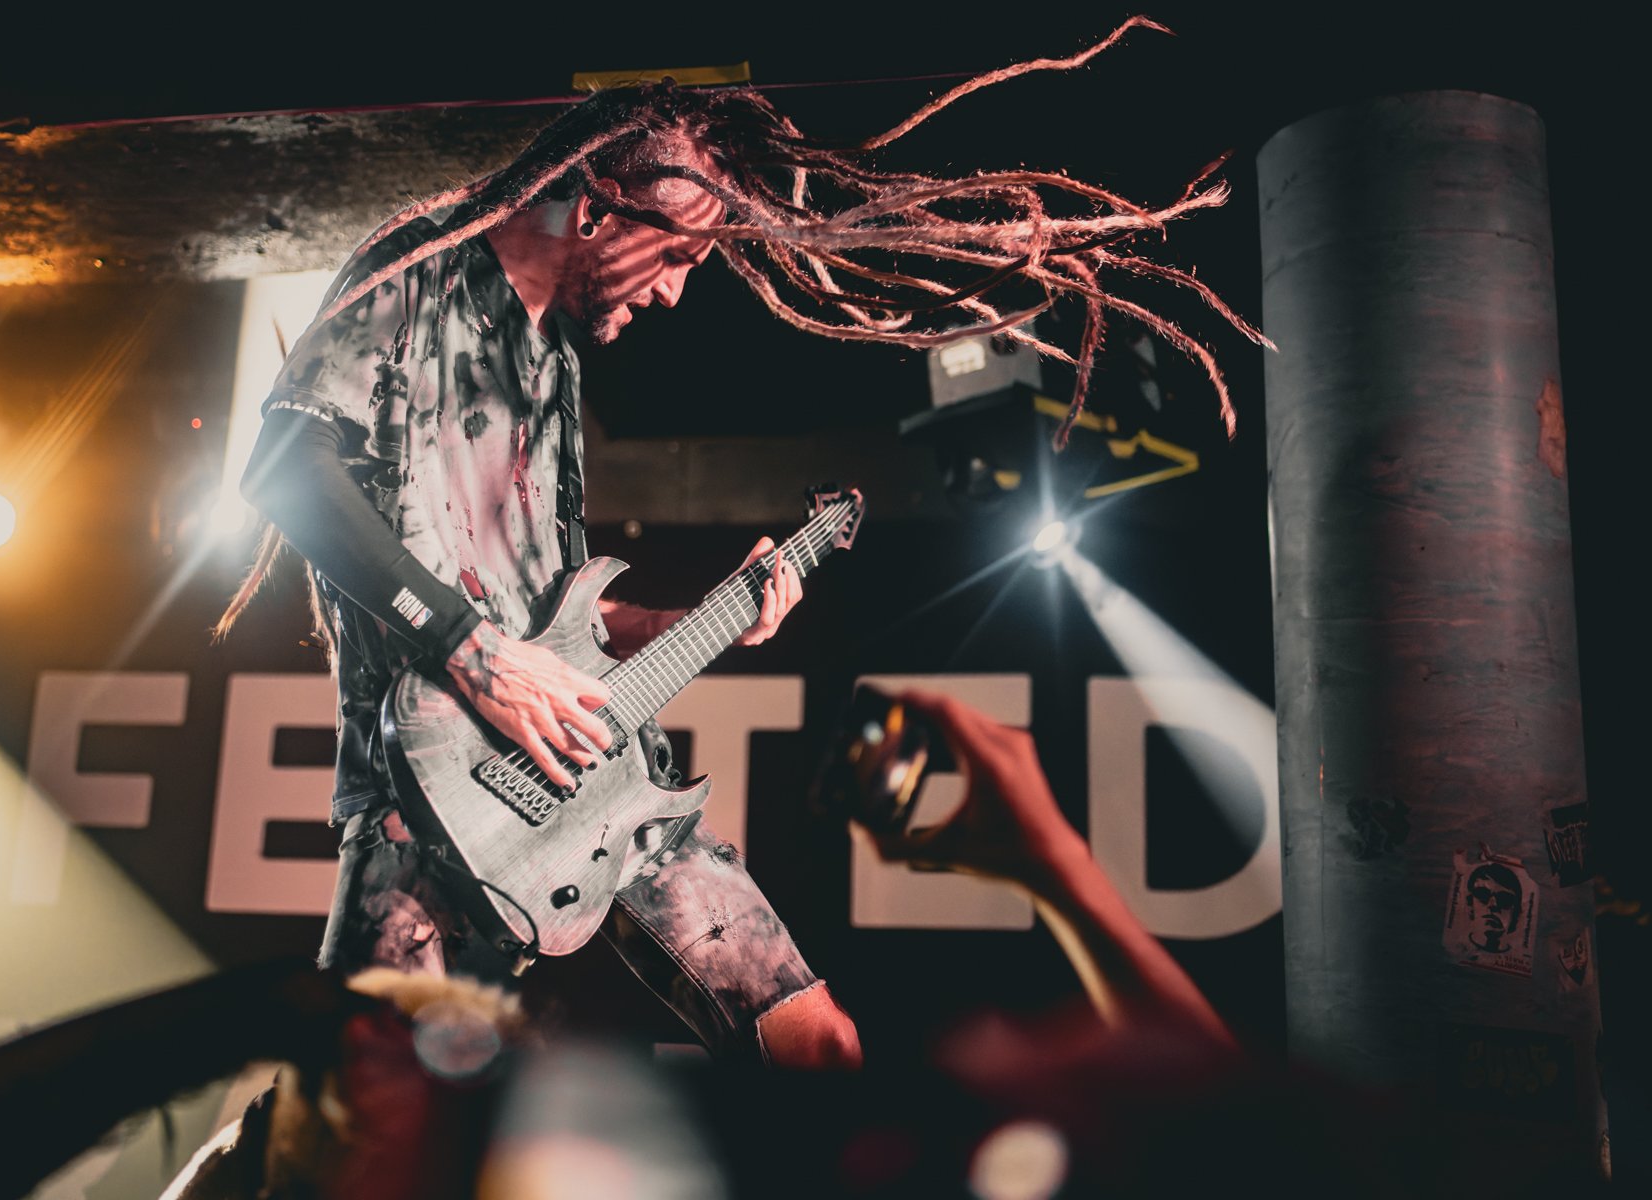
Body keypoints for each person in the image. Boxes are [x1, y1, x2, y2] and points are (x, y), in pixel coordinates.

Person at [213, 19, 1262, 1069]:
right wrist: (473, 654)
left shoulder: (555, 362)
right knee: (359, 1115)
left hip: (605, 785)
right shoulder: (418, 267)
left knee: (821, 1049)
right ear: (594, 208)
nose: (676, 290)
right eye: (676, 255)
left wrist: (675, 621)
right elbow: (284, 473)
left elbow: (545, 617)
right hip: (428, 795)